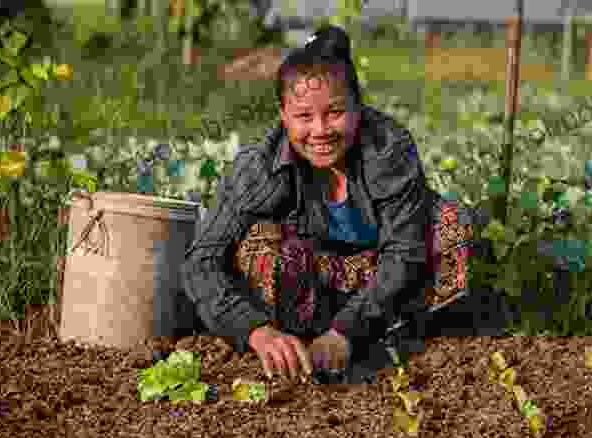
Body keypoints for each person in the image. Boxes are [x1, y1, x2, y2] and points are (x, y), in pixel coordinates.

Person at [176, 24, 474, 383]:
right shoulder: (259, 168)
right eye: (303, 117)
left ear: (358, 108)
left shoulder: (387, 148)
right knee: (256, 244)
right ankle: (292, 346)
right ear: (283, 115)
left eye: (334, 113)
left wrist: (346, 331)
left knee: (450, 225)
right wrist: (256, 331)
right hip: (309, 285)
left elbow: (405, 252)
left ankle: (411, 341)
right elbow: (201, 262)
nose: (320, 131)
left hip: (382, 286)